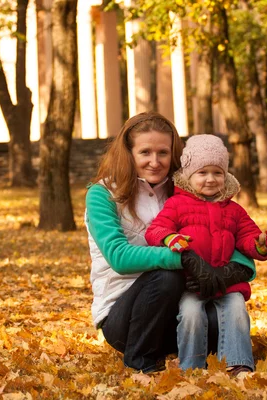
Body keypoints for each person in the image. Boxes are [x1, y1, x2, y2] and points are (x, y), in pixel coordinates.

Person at [84, 112, 257, 373]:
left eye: (163, 153)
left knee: (224, 319)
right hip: (124, 315)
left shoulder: (185, 190)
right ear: (128, 153)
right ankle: (142, 363)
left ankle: (210, 363)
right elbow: (118, 256)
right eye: (145, 152)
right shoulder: (103, 194)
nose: (155, 162)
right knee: (167, 276)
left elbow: (224, 227)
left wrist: (234, 270)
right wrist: (184, 259)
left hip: (179, 306)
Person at [145, 134, 267, 373]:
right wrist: (170, 238)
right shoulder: (176, 205)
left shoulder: (234, 210)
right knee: (191, 315)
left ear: (225, 176)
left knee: (236, 311)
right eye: (202, 173)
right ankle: (192, 367)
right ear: (188, 176)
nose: (210, 179)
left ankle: (237, 364)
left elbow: (247, 236)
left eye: (217, 173)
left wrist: (259, 245)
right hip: (192, 282)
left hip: (226, 282)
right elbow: (155, 230)